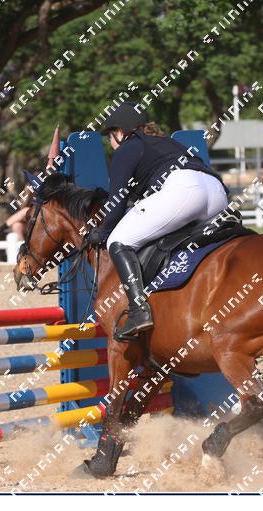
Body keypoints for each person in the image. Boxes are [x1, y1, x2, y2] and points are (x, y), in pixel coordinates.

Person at [86, 102, 228, 340]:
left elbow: (117, 202)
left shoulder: (128, 147)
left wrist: (104, 232)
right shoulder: (168, 143)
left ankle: (139, 311)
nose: (110, 142)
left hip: (183, 190)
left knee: (118, 241)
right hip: (217, 192)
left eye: (110, 135)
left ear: (120, 131)